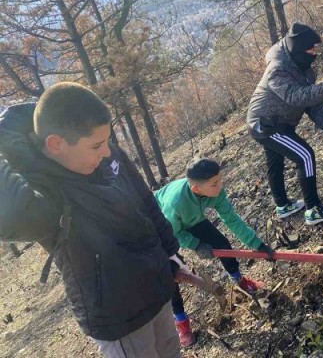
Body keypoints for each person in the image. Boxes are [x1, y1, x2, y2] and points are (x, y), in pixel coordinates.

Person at [0, 83, 182, 358]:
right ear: (55, 144)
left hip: (157, 286)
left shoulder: (105, 157)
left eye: (108, 141)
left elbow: (145, 200)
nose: (108, 152)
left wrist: (170, 251)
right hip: (120, 316)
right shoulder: (42, 193)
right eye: (97, 145)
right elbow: (11, 216)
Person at [154, 158, 274, 347]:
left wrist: (258, 245)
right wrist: (196, 244)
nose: (220, 185)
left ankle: (239, 280)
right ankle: (181, 321)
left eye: (220, 179)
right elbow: (173, 232)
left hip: (189, 218)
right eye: (215, 183)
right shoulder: (175, 202)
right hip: (161, 226)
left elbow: (232, 220)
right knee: (170, 271)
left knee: (222, 243)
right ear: (196, 189)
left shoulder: (214, 191)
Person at [246, 22, 323, 225]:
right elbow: (297, 97)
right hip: (266, 124)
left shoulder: (304, 69)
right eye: (310, 49)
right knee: (305, 155)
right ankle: (313, 210)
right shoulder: (277, 70)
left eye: (315, 49)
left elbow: (311, 104)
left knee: (275, 162)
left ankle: (283, 206)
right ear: (298, 49)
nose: (314, 53)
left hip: (279, 123)